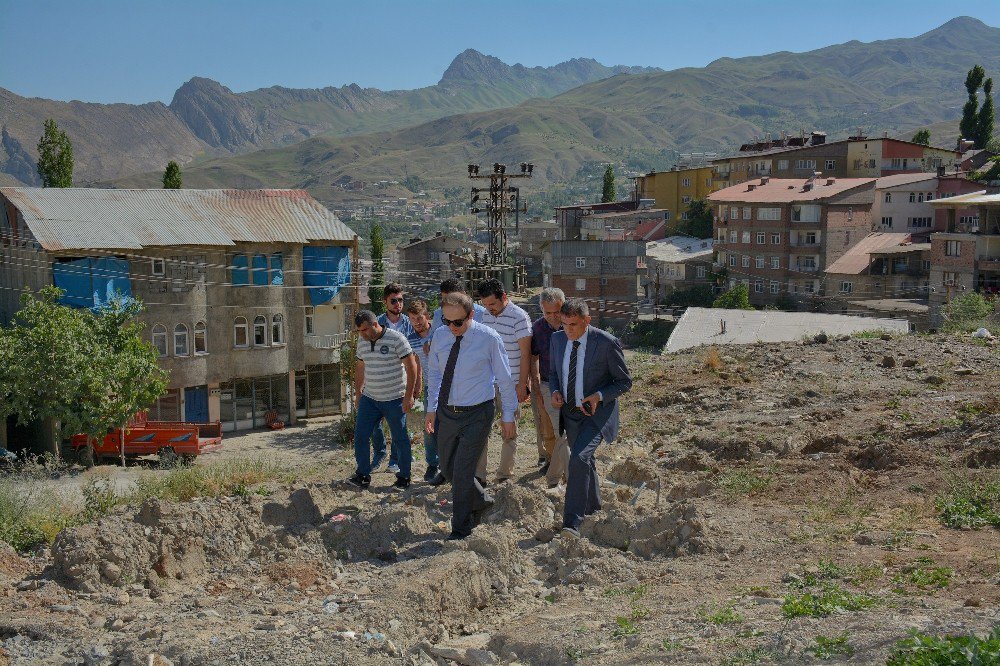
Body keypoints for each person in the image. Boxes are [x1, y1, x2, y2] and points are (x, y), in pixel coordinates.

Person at [426, 292, 518, 540]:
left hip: (478, 412)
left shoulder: (488, 338)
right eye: (447, 322)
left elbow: (505, 378)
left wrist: (508, 415)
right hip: (447, 411)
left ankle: (461, 527)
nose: (452, 328)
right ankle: (480, 500)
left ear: (471, 315)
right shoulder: (440, 336)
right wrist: (431, 408)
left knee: (464, 471)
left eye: (458, 322)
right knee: (447, 468)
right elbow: (434, 374)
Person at [549, 299, 632, 537]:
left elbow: (624, 382)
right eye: (564, 324)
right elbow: (554, 373)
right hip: (571, 414)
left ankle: (572, 523)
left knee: (579, 459)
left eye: (573, 325)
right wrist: (555, 391)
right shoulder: (557, 339)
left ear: (587, 320)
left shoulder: (606, 343)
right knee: (586, 462)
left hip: (597, 414)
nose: (568, 330)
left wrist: (599, 395)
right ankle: (594, 511)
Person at [347, 310, 419, 491]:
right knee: (361, 436)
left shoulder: (397, 339)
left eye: (364, 330)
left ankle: (404, 477)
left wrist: (409, 395)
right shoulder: (362, 343)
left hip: (394, 398)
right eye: (359, 331)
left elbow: (411, 367)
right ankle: (363, 475)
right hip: (370, 399)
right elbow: (360, 367)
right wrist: (358, 393)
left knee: (400, 438)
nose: (361, 334)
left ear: (374, 324)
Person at [477, 278, 532, 482]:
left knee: (509, 429)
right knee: (481, 429)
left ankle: (504, 475)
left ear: (504, 297)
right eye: (485, 305)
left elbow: (526, 354)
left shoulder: (519, 317)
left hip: (511, 384)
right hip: (487, 385)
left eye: (493, 304)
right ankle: (479, 475)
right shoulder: (484, 316)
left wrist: (522, 384)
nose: (489, 309)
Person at [371, 283, 414, 474]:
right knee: (374, 422)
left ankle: (395, 459)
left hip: (401, 381)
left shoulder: (408, 323)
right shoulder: (376, 324)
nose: (398, 304)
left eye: (400, 300)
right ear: (385, 302)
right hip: (378, 379)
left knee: (399, 423)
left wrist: (414, 386)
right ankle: (379, 453)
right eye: (394, 300)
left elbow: (415, 355)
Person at [529, 287, 567, 490]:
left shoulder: (573, 324)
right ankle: (554, 465)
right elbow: (533, 357)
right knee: (551, 430)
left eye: (557, 312)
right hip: (546, 384)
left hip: (572, 385)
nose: (553, 317)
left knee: (569, 431)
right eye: (547, 313)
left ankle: (567, 470)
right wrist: (535, 385)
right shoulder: (537, 328)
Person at [405, 298, 440, 482]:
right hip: (429, 387)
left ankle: (447, 463)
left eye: (419, 318)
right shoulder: (411, 339)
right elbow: (415, 364)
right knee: (429, 427)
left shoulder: (438, 332)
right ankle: (432, 464)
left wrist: (434, 350)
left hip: (448, 385)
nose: (417, 322)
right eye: (412, 319)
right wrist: (416, 386)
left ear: (426, 316)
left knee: (447, 426)